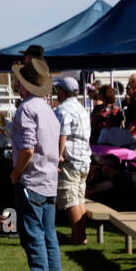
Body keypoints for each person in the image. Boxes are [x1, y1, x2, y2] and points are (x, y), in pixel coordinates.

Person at [9, 57, 62, 271]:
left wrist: (16, 173)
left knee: (34, 238)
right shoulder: (47, 109)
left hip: (32, 180)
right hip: (49, 180)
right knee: (49, 238)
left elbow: (28, 148)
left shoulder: (26, 110)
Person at [54, 76, 90, 246]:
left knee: (71, 199)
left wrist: (58, 156)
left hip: (71, 160)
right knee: (79, 198)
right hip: (84, 159)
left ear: (62, 91)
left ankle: (78, 236)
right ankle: (81, 234)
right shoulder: (81, 108)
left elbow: (63, 134)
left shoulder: (63, 110)